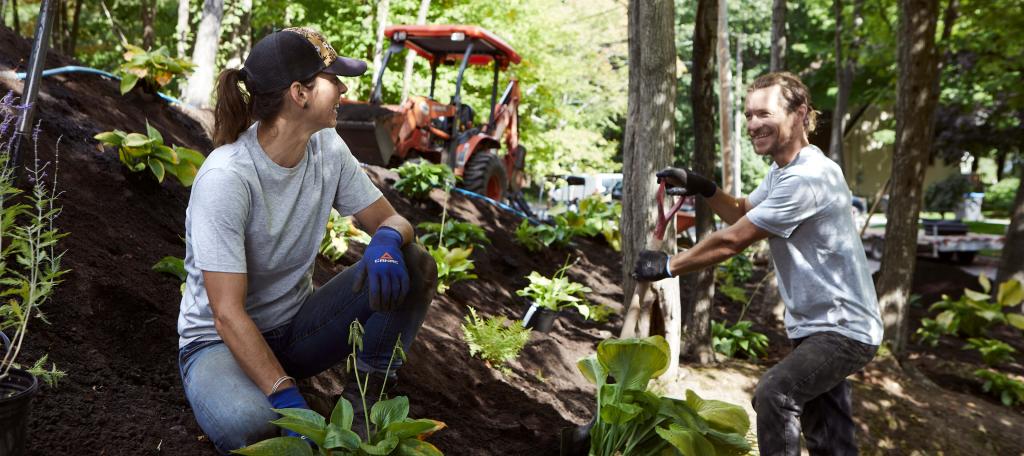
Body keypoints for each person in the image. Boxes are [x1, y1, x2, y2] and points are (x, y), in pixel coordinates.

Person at [175, 27, 437, 454]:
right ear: (299, 93)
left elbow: (391, 218)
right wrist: (285, 396)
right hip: (219, 344)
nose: (345, 88)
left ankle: (365, 403)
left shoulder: (326, 148)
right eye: (334, 79)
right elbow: (225, 314)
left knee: (414, 262)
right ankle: (266, 396)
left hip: (295, 332)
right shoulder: (227, 178)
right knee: (253, 427)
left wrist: (387, 239)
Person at [633, 72, 882, 456]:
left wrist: (668, 265)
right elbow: (741, 213)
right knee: (831, 440)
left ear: (800, 114)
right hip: (820, 325)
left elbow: (734, 239)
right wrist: (705, 188)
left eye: (763, 113)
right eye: (748, 115)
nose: (752, 124)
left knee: (776, 394)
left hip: (841, 328)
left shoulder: (807, 179)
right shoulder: (784, 172)